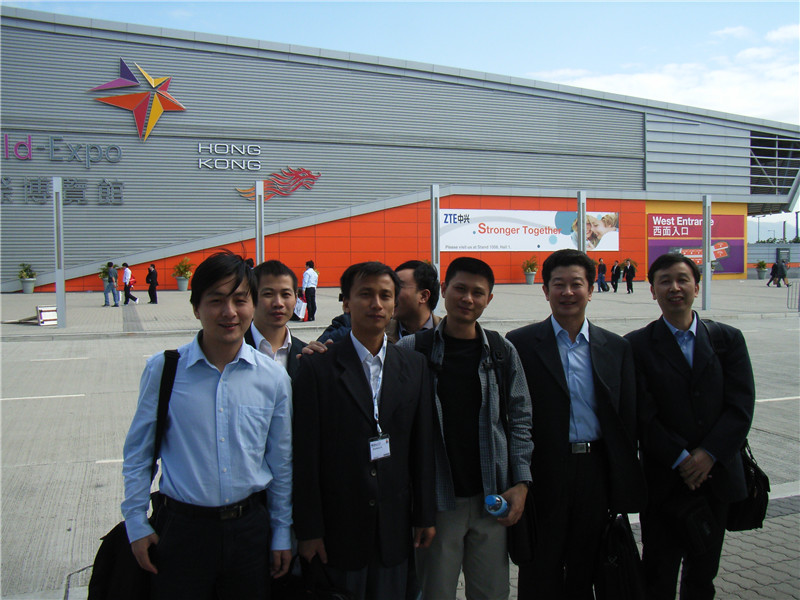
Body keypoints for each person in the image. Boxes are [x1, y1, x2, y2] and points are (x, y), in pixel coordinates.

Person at [121, 251, 293, 599]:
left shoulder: (273, 377)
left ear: (251, 305)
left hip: (250, 532)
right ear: (196, 308)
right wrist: (136, 522)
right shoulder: (164, 370)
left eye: (240, 300)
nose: (229, 312)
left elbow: (281, 462)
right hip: (182, 532)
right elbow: (139, 455)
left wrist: (281, 531)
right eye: (216, 300)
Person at [506, 249, 646, 599]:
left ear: (591, 289)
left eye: (576, 284)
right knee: (540, 569)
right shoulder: (520, 344)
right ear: (545, 290)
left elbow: (626, 419)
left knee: (586, 568)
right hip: (544, 472)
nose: (567, 292)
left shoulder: (616, 347)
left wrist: (621, 479)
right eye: (559, 284)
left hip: (595, 472)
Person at [292, 261, 436, 600]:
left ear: (395, 304)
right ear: (346, 302)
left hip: (394, 527)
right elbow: (305, 456)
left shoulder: (414, 365)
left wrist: (424, 515)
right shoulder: (318, 367)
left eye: (385, 295)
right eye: (365, 294)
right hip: (338, 529)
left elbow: (422, 446)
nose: (376, 304)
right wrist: (309, 530)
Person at [397, 257, 532, 600]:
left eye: (478, 292)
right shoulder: (412, 350)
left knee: (492, 592)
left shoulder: (501, 351)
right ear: (443, 290)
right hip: (437, 503)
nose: (468, 299)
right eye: (460, 289)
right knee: (436, 592)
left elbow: (520, 420)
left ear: (489, 298)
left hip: (492, 500)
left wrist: (521, 483)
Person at [625, 252, 755, 600]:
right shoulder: (635, 345)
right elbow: (641, 415)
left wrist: (708, 454)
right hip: (665, 480)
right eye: (664, 281)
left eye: (683, 279)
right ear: (652, 290)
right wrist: (682, 458)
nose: (674, 288)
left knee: (702, 575)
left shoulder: (727, 340)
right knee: (658, 573)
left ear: (697, 286)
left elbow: (740, 407)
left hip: (715, 478)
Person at [317, 260, 441, 344]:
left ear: (424, 296)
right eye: (366, 294)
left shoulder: (446, 334)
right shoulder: (373, 327)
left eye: (399, 287)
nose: (378, 304)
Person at [245, 260, 307, 377]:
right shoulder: (232, 351)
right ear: (251, 297)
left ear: (295, 299)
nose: (278, 303)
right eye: (268, 294)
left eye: (285, 295)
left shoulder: (306, 355)